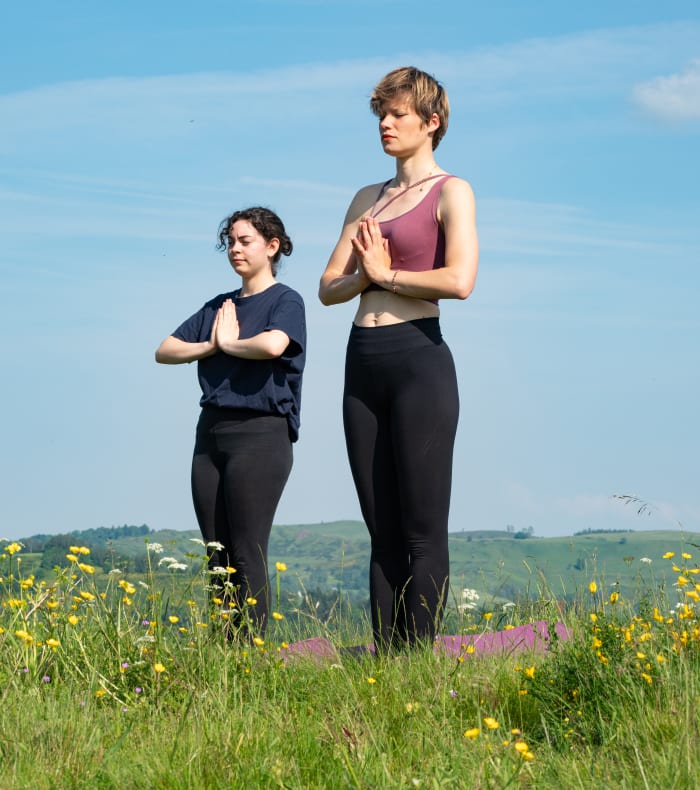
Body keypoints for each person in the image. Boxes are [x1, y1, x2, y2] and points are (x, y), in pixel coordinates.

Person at [319, 67, 478, 652]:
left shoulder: (452, 191)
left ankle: (419, 659)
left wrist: (388, 276)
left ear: (431, 122)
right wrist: (364, 278)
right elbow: (328, 287)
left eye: (397, 115)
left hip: (419, 361)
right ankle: (387, 665)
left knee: (421, 528)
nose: (385, 124)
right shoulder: (367, 198)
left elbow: (460, 280)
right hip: (363, 361)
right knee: (380, 527)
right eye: (380, 115)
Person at [156, 207, 306, 636]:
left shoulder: (285, 301)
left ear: (272, 247)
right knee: (217, 554)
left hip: (261, 433)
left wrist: (229, 343)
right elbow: (165, 350)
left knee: (246, 550)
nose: (235, 249)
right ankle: (224, 653)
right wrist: (211, 345)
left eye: (245, 241)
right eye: (231, 242)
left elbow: (273, 345)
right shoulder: (219, 306)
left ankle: (251, 653)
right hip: (211, 434)